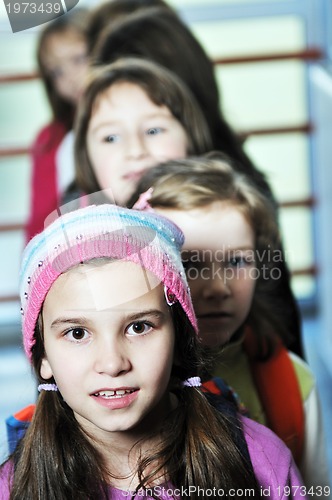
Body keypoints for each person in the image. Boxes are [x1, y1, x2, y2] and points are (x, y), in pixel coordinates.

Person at [1, 204, 308, 499]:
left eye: (139, 327)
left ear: (179, 340)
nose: (112, 363)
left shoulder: (262, 461)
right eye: (77, 333)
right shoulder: (13, 487)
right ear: (42, 357)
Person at [90, 5, 304, 360]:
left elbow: (277, 322)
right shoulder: (89, 201)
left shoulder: (240, 193)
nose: (135, 149)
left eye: (153, 125)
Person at [129, 153, 330, 490]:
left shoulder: (292, 382)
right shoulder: (111, 383)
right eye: (190, 265)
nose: (218, 288)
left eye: (237, 261)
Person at [63, 57, 212, 206]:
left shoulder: (224, 214)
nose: (135, 151)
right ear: (86, 158)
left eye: (153, 131)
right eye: (111, 138)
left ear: (190, 136)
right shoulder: (75, 226)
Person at [25, 8, 89, 242]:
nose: (70, 77)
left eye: (79, 59)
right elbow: (38, 225)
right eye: (57, 72)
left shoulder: (136, 116)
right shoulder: (49, 141)